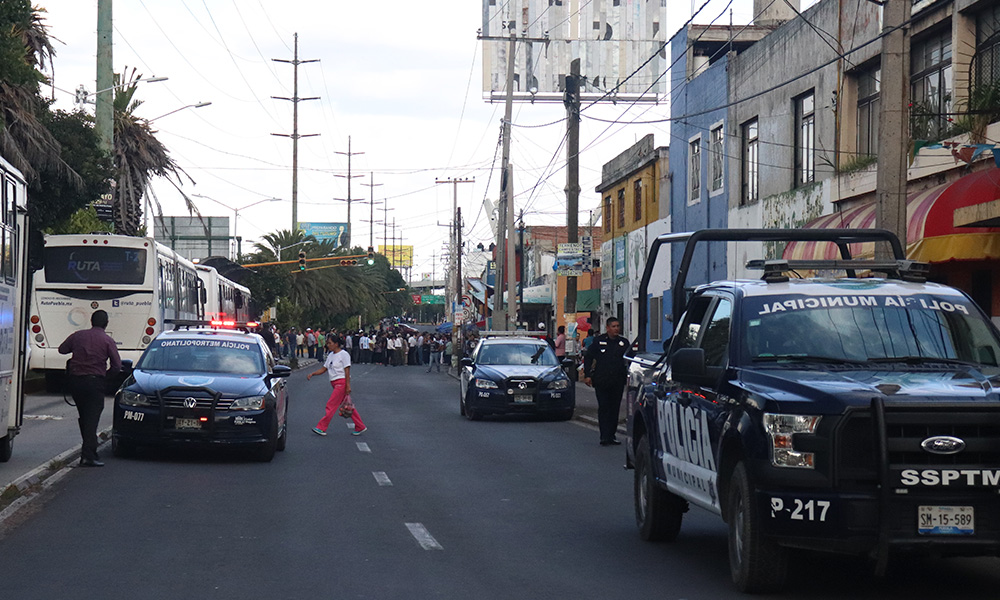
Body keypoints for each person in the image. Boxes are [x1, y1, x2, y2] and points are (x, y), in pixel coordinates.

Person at [58, 310, 122, 467]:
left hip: (76, 382)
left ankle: (90, 451)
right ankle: (88, 456)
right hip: (95, 383)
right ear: (106, 323)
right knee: (92, 419)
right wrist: (105, 376)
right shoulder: (107, 340)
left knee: (85, 417)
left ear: (91, 321)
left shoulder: (78, 335)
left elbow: (62, 349)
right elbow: (117, 366)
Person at [582, 317, 631, 446]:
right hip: (602, 380)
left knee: (614, 408)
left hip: (617, 381)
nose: (616, 329)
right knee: (604, 407)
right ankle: (604, 436)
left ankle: (611, 435)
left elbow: (630, 359)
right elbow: (588, 357)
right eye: (613, 326)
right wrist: (587, 375)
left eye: (618, 326)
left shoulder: (623, 343)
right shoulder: (599, 341)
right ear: (608, 328)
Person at [308, 336, 366, 436]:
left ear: (336, 344)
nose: (328, 345)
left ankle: (321, 427)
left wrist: (348, 385)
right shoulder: (331, 355)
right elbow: (324, 369)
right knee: (348, 407)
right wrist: (313, 374)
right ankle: (360, 425)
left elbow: (347, 371)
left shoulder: (344, 354)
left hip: (341, 383)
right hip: (335, 383)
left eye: (330, 343)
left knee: (331, 405)